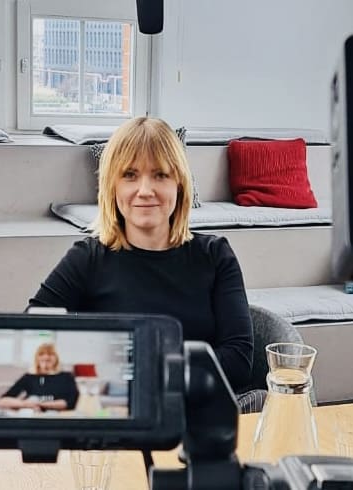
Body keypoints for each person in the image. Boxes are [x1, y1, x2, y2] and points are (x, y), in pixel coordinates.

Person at [28, 117, 253, 393]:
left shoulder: (216, 255)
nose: (145, 191)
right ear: (112, 186)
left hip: (196, 407)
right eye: (130, 175)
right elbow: (32, 336)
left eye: (160, 175)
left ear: (179, 184)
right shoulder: (87, 258)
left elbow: (239, 360)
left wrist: (143, 370)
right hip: (114, 408)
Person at [0, 343, 79, 411]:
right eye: (41, 354)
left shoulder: (66, 377)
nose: (46, 357)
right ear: (37, 358)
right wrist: (25, 404)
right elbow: (2, 401)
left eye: (50, 354)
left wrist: (41, 404)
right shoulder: (29, 377)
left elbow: (70, 403)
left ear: (56, 358)